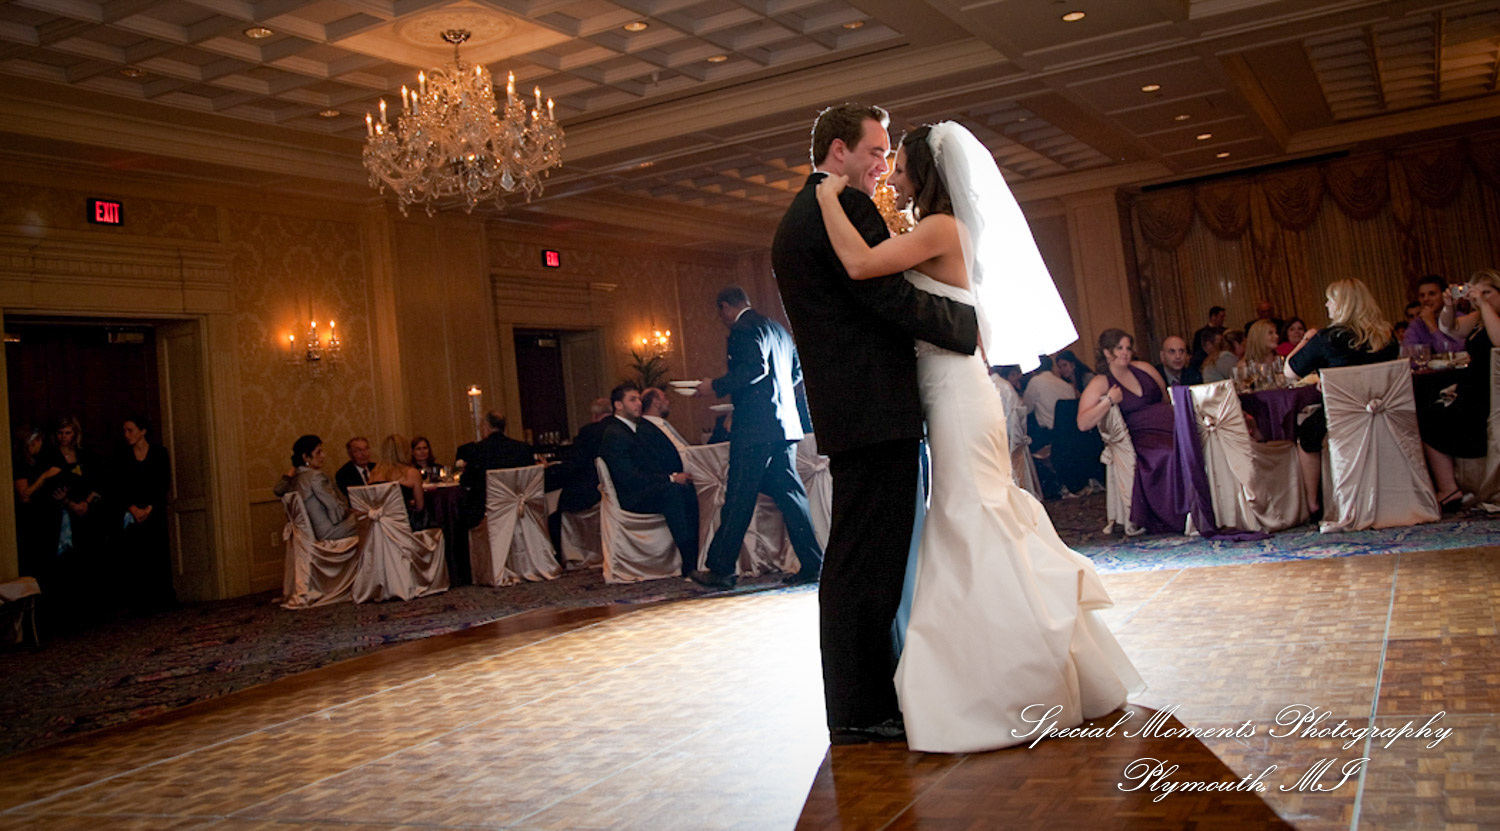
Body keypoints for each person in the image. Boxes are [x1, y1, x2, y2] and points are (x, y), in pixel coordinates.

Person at [815, 120, 1140, 753]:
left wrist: (827, 196)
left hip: (958, 397)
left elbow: (858, 264)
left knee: (970, 517)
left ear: (928, 175)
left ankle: (1000, 683)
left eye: (901, 166)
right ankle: (1010, 666)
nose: (894, 175)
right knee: (972, 516)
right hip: (949, 390)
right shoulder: (935, 229)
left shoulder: (940, 229)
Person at [773, 103, 980, 746]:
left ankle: (861, 699)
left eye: (888, 154)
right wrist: (964, 324)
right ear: (839, 151)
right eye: (874, 152)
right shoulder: (845, 210)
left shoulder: (794, 218)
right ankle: (862, 707)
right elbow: (885, 296)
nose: (882, 165)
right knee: (869, 561)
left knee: (856, 557)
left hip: (850, 409)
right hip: (875, 410)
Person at [690, 286, 824, 589]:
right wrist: (776, 397)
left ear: (725, 307)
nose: (722, 319)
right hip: (784, 425)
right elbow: (796, 371)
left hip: (755, 429)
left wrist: (715, 385)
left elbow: (753, 369)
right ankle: (814, 563)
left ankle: (722, 569)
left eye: (720, 313)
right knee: (791, 496)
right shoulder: (778, 329)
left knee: (738, 495)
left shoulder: (742, 329)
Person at [1284, 278, 1400, 519]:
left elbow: (1290, 372)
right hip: (1384, 415)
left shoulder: (1327, 338)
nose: (1326, 305)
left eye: (1330, 300)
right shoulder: (1387, 336)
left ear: (1343, 304)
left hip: (1342, 418)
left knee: (1306, 433)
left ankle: (1313, 504)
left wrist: (1307, 338)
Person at [1078, 329, 1183, 535]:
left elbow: (1165, 398)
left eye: (1128, 348)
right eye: (1119, 348)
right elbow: (1083, 422)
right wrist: (1108, 401)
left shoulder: (1144, 368)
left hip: (1170, 425)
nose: (1126, 353)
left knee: (1194, 443)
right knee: (1168, 453)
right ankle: (1176, 515)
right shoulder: (1100, 382)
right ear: (1107, 353)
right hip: (1141, 436)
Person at [598, 384, 700, 577]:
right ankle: (689, 560)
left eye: (638, 399)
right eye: (632, 399)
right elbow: (629, 477)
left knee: (686, 489)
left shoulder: (634, 430)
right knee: (673, 492)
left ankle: (696, 553)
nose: (639, 403)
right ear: (618, 405)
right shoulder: (615, 434)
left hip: (646, 489)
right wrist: (670, 478)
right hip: (633, 497)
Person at [1422, 269, 1500, 511]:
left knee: (1435, 417)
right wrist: (1448, 306)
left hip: (1490, 392)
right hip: (1473, 386)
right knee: (1428, 412)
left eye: (1488, 292)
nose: (1482, 297)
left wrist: (1483, 304)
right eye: (1479, 292)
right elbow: (1449, 328)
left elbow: (1499, 343)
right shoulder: (1478, 318)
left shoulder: (1490, 317)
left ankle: (1450, 488)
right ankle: (1449, 487)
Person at [113, 416, 176, 613]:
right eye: (125, 430)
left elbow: (163, 481)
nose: (127, 434)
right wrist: (133, 508)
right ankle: (140, 602)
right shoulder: (123, 456)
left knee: (157, 554)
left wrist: (149, 508)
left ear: (143, 431)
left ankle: (163, 599)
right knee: (135, 556)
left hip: (154, 510)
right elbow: (119, 486)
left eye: (130, 430)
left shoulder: (159, 453)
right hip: (132, 512)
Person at [456, 412, 535, 529]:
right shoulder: (523, 449)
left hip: (486, 513)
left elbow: (466, 482)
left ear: (486, 426)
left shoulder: (476, 450)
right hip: (519, 510)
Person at [273, 435, 357, 540]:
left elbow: (278, 490)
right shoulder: (316, 477)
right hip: (328, 531)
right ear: (306, 457)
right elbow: (336, 512)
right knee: (374, 520)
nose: (323, 455)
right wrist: (352, 512)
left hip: (307, 534)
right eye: (318, 452)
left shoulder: (293, 479)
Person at [369, 434, 426, 528]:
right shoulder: (411, 473)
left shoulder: (374, 473)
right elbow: (420, 507)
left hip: (379, 525)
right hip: (404, 525)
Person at [1404, 275, 1466, 354]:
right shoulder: (1416, 325)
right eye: (1422, 295)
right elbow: (1411, 356)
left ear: (1444, 295)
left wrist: (1433, 328)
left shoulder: (1459, 318)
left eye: (1431, 294)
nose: (1425, 299)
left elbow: (1457, 353)